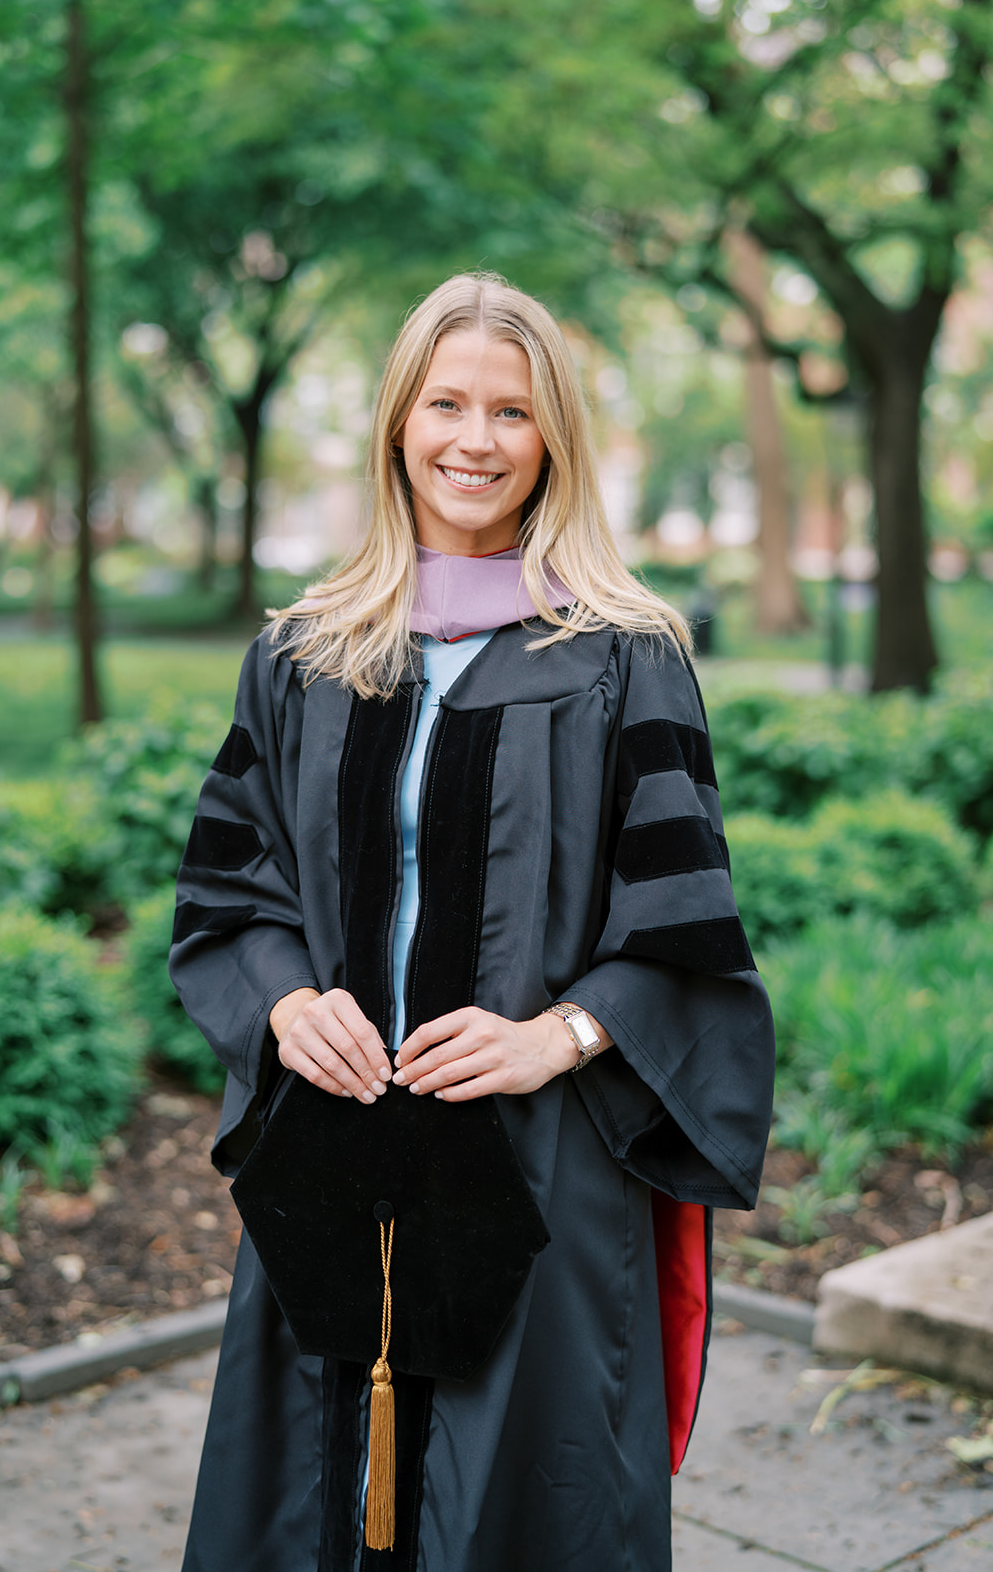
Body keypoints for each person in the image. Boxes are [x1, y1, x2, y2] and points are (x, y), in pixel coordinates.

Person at [170, 272, 774, 1572]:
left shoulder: (623, 658)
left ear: (553, 435)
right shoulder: (304, 653)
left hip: (535, 1165)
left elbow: (686, 931)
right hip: (329, 1148)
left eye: (511, 410)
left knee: (521, 1508)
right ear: (398, 422)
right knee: (312, 1499)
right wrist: (285, 1004)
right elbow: (231, 889)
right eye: (446, 402)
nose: (474, 440)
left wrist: (558, 1037)